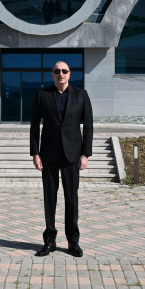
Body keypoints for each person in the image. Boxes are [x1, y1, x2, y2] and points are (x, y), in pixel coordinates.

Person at [30, 60, 94, 258]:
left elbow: (89, 126)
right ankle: (49, 240)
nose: (61, 74)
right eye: (57, 71)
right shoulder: (42, 95)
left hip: (72, 155)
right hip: (48, 154)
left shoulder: (81, 95)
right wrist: (35, 153)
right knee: (50, 198)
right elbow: (34, 126)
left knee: (71, 198)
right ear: (52, 75)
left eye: (64, 71)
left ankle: (73, 241)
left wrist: (85, 154)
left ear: (70, 73)